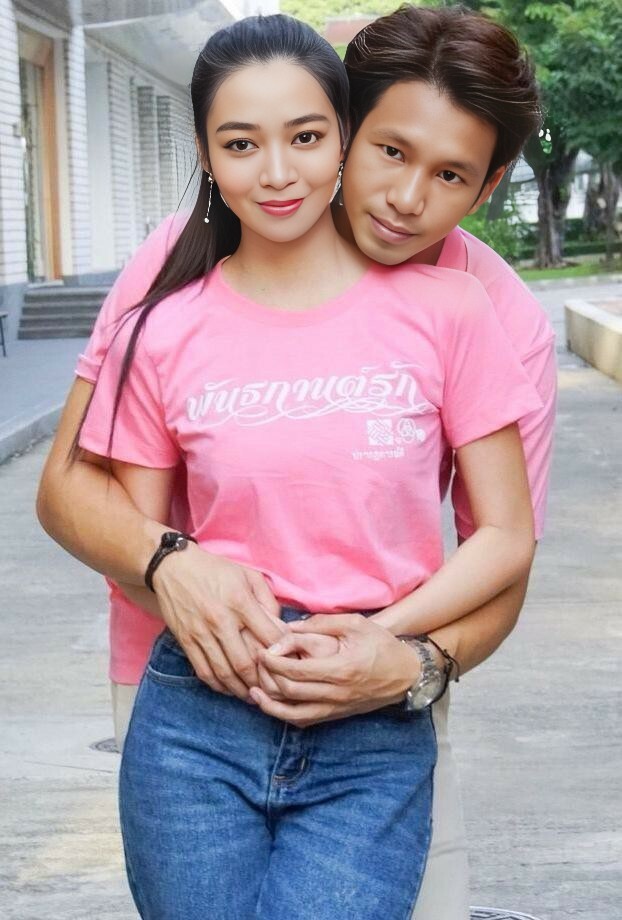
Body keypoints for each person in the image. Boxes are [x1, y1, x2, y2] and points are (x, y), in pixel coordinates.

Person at [36, 7, 556, 919]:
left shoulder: (483, 313)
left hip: (381, 685)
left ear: (488, 186)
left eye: (449, 173)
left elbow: (505, 553)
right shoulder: (181, 269)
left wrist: (403, 659)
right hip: (191, 676)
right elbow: (70, 489)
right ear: (350, 131)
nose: (406, 197)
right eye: (390, 151)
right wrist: (172, 565)